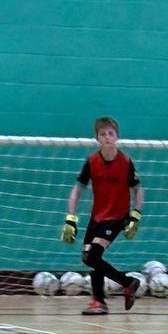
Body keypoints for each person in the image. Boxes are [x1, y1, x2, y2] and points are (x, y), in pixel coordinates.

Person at [61, 118, 143, 316]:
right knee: (89, 258)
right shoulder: (91, 161)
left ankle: (119, 288)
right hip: (97, 217)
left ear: (117, 137)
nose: (107, 137)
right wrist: (70, 218)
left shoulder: (125, 162)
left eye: (110, 134)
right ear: (97, 138)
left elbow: (137, 190)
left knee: (94, 255)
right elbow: (77, 189)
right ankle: (103, 299)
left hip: (117, 216)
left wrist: (135, 215)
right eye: (102, 134)